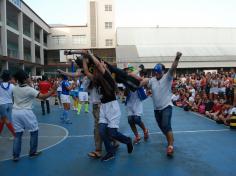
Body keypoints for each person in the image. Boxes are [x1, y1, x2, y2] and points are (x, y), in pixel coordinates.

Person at [85, 50, 133, 161]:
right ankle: (110, 152)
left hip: (112, 107)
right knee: (102, 131)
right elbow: (87, 72)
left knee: (113, 133)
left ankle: (127, 141)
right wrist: (84, 58)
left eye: (101, 66)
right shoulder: (96, 79)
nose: (98, 67)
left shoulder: (108, 77)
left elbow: (98, 64)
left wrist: (90, 54)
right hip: (103, 107)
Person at [140, 51, 182, 157]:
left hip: (166, 106)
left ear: (163, 71)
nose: (156, 74)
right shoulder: (153, 80)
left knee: (166, 125)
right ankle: (170, 139)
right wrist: (138, 83)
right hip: (156, 109)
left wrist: (177, 58)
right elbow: (145, 81)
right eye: (155, 72)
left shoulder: (167, 77)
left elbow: (173, 68)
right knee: (162, 127)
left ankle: (170, 146)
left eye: (158, 72)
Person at [12, 69, 57, 162]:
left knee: (18, 134)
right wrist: (53, 90)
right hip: (26, 112)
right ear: (24, 79)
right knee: (34, 131)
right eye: (28, 77)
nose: (29, 78)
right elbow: (43, 97)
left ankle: (16, 156)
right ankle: (32, 152)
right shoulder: (29, 90)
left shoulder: (15, 88)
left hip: (15, 112)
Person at [125, 65, 149, 144]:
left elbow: (139, 80)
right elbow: (125, 92)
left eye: (127, 69)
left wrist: (138, 69)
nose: (126, 71)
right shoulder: (125, 78)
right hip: (129, 101)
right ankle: (137, 136)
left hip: (137, 101)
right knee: (130, 120)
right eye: (125, 70)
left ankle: (145, 130)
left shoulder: (136, 76)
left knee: (136, 119)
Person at [0, 70, 15, 138]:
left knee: (5, 119)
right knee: (3, 119)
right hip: (10, 104)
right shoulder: (12, 86)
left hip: (2, 104)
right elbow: (14, 95)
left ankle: (15, 135)